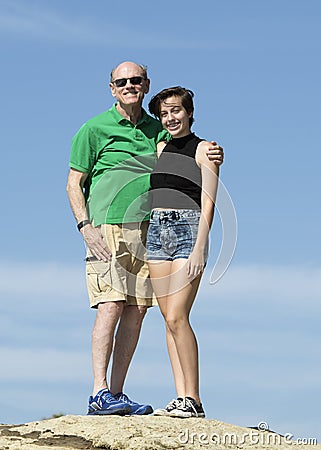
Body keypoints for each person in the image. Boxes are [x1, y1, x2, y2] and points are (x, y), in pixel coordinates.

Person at [66, 61, 224, 416]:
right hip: (107, 227)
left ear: (146, 84)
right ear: (111, 88)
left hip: (150, 229)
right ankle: (99, 391)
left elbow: (191, 150)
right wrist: (85, 226)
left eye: (135, 80)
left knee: (139, 310)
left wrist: (212, 153)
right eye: (121, 81)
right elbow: (73, 183)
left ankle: (118, 394)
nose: (129, 85)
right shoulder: (93, 129)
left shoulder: (157, 131)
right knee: (110, 305)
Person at [146, 86, 220, 418]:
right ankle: (181, 397)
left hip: (189, 229)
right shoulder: (160, 147)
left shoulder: (205, 149)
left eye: (176, 110)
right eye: (164, 113)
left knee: (178, 315)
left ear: (189, 112)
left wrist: (200, 246)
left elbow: (209, 201)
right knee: (167, 319)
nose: (170, 117)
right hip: (157, 232)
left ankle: (196, 399)